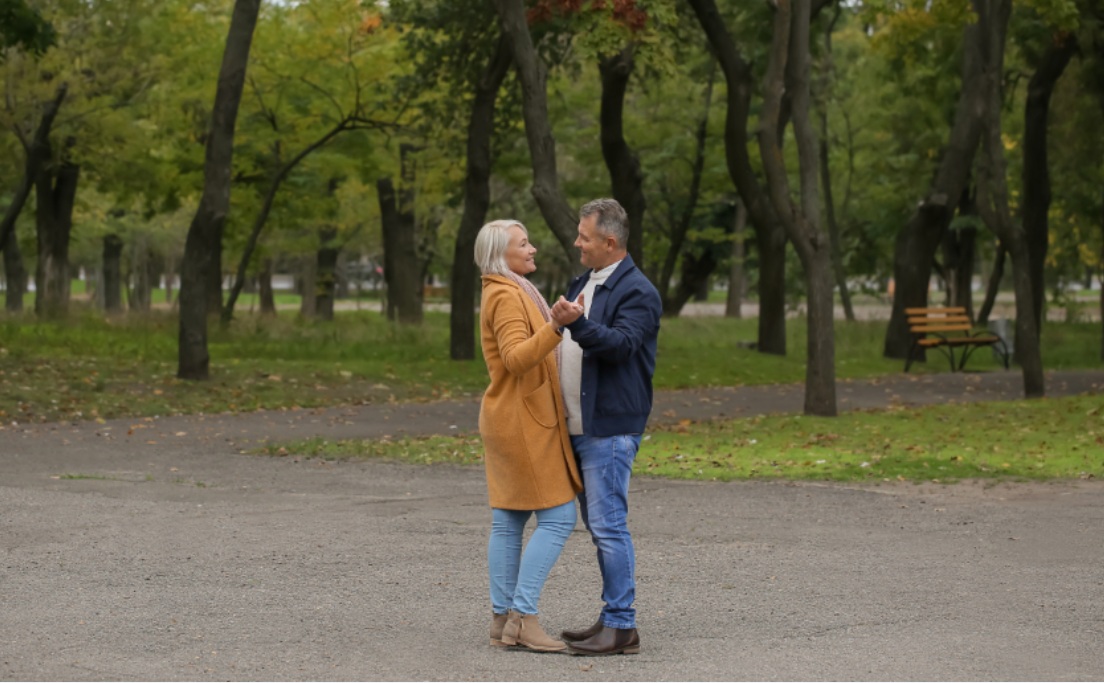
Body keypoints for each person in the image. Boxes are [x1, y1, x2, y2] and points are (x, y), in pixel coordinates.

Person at [550, 198, 662, 657]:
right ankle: (611, 616)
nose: (577, 243)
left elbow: (621, 346)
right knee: (599, 527)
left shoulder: (638, 291)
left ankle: (621, 625)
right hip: (579, 426)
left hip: (610, 428)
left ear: (610, 242)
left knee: (609, 525)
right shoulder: (586, 281)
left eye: (585, 237)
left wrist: (576, 325)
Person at [474, 219, 583, 653]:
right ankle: (522, 617)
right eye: (524, 244)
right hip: (522, 421)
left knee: (509, 521)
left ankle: (502, 621)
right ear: (501, 255)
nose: (533, 248)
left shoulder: (507, 288)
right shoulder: (504, 294)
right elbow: (517, 359)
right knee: (559, 518)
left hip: (509, 417)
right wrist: (555, 326)